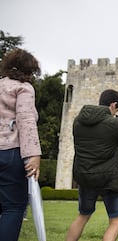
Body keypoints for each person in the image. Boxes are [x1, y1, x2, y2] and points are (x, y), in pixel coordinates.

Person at [65, 89, 118, 241]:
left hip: (85, 177)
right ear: (113, 105)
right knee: (115, 220)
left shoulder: (78, 121)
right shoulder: (114, 124)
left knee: (83, 215)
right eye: (117, 109)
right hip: (109, 179)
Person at [0, 48, 42, 241]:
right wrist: (33, 154)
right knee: (14, 206)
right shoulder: (23, 88)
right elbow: (25, 120)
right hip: (10, 152)